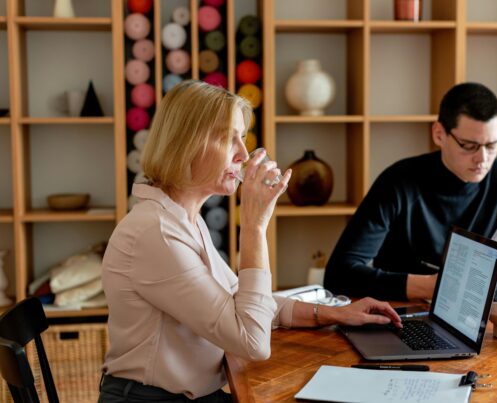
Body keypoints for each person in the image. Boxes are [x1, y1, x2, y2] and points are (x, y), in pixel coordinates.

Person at [99, 81, 401, 403]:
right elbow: (252, 340)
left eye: (241, 137)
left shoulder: (183, 219)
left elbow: (247, 304)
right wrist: (255, 226)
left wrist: (336, 314)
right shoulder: (156, 232)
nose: (242, 154)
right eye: (227, 137)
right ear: (185, 143)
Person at [324, 82, 497, 302]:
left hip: (485, 324)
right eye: (469, 146)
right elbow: (339, 274)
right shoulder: (399, 183)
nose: (483, 159)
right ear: (439, 134)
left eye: (492, 145)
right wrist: (430, 286)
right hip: (404, 317)